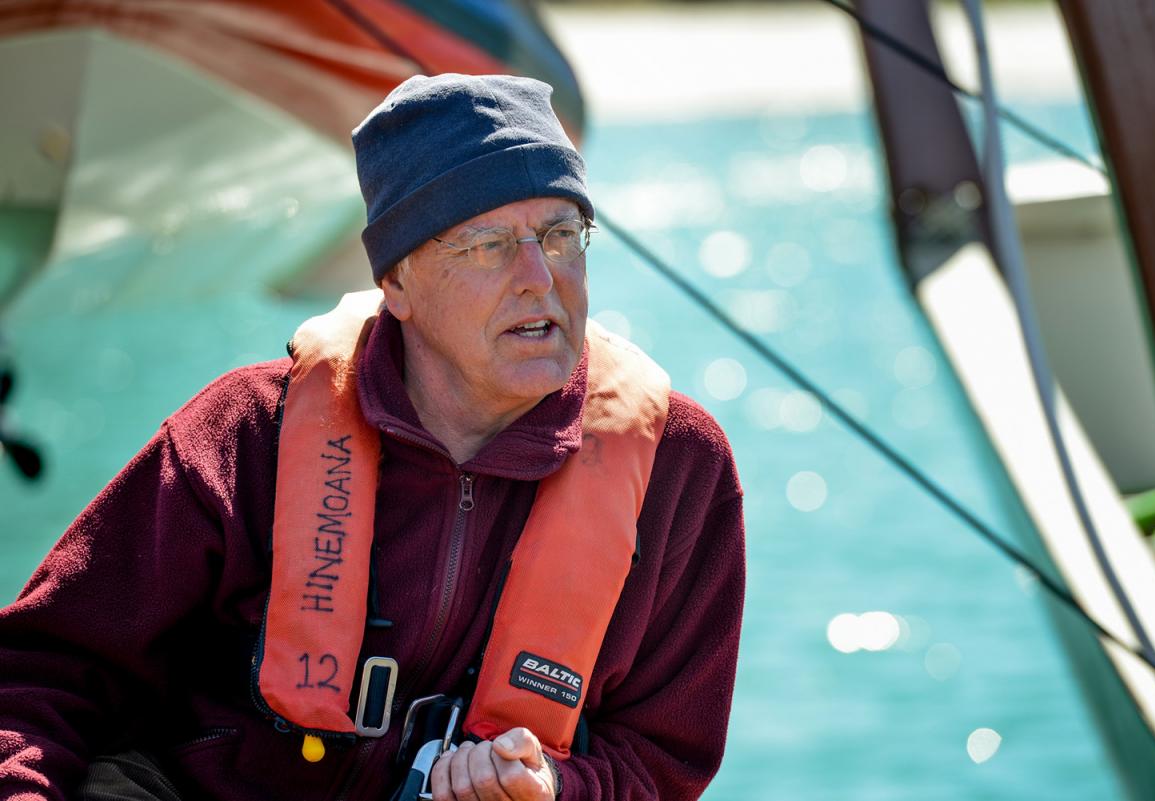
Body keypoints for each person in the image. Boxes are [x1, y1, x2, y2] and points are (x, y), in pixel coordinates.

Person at [0, 74, 745, 801]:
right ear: (397, 284)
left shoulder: (681, 466)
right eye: (488, 244)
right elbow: (39, 676)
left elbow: (662, 759)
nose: (539, 279)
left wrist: (553, 787)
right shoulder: (242, 432)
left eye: (560, 235)